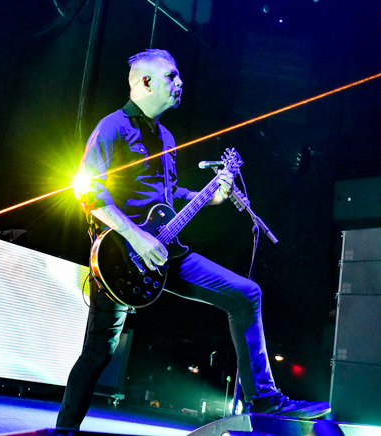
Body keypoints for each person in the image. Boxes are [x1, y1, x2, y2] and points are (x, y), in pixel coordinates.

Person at [57, 49, 330, 430]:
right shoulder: (112, 127)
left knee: (246, 294)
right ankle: (64, 429)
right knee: (98, 353)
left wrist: (212, 195)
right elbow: (86, 190)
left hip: (169, 253)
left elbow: (167, 198)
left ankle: (265, 400)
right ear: (145, 82)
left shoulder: (166, 136)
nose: (180, 83)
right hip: (118, 257)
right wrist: (135, 236)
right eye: (171, 76)